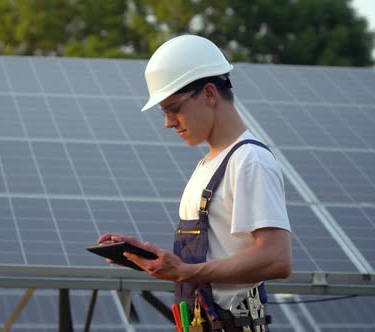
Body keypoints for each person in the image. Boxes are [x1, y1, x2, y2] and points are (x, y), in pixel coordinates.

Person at [97, 35, 291, 331]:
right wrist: (148, 257)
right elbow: (218, 253)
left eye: (173, 107)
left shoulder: (249, 161)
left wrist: (187, 272)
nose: (168, 122)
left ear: (210, 93)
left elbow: (276, 258)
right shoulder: (207, 165)